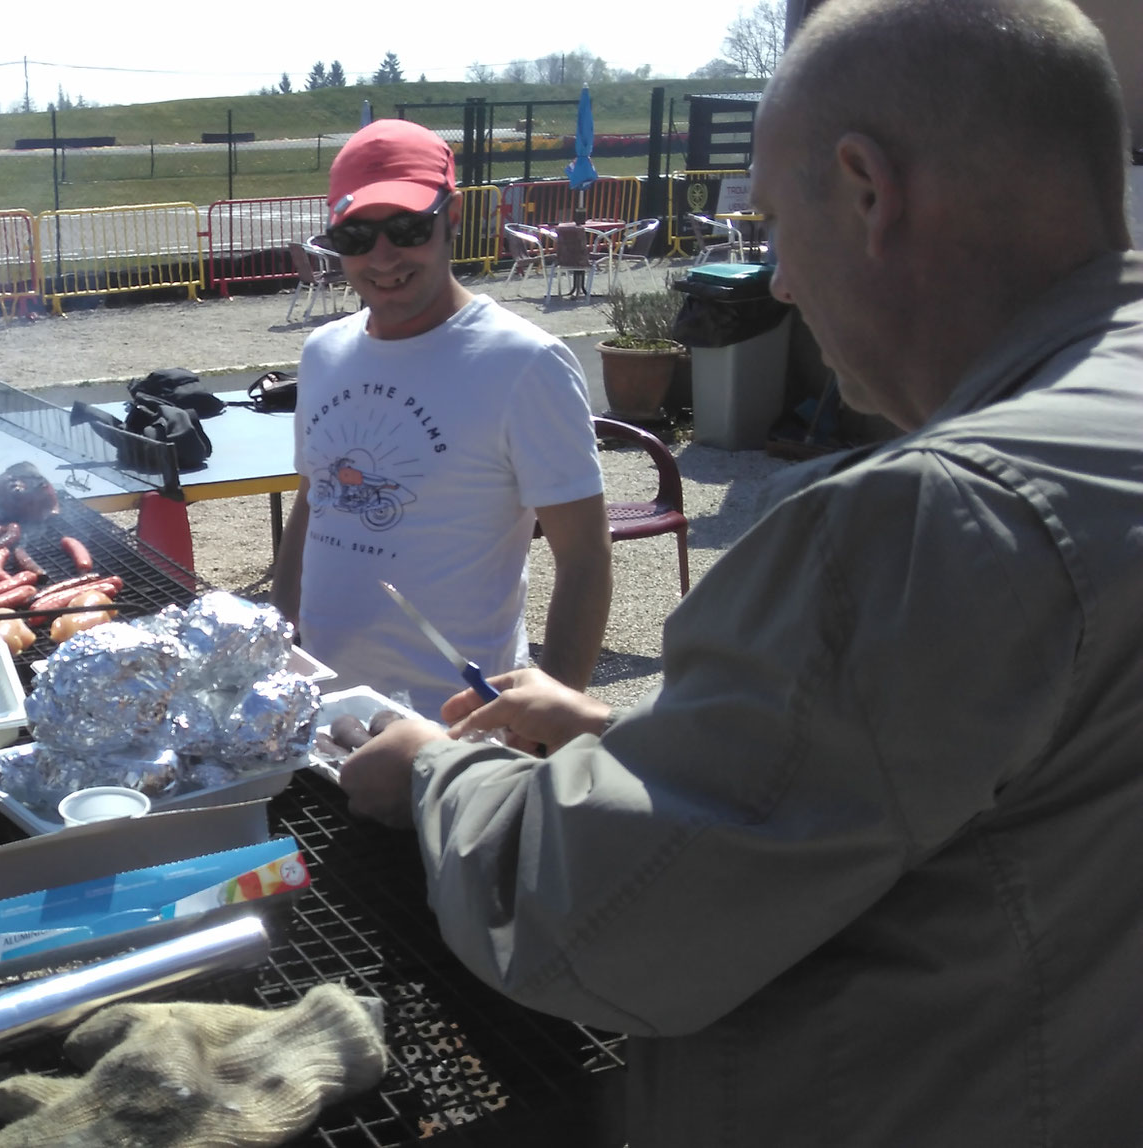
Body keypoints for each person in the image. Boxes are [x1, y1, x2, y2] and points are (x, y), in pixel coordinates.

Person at [337, 1, 1143, 1141]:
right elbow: (956, 787)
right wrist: (620, 744)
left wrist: (432, 774)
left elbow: (592, 926)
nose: (775, 284)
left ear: (866, 189)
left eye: (768, 224)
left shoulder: (940, 519)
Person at [269, 118, 611, 715]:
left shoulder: (526, 363)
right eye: (356, 236)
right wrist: (277, 632)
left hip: (452, 730)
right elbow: (313, 496)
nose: (382, 257)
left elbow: (584, 559)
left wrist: (545, 717)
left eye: (406, 228)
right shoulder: (322, 352)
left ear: (449, 219)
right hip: (320, 712)